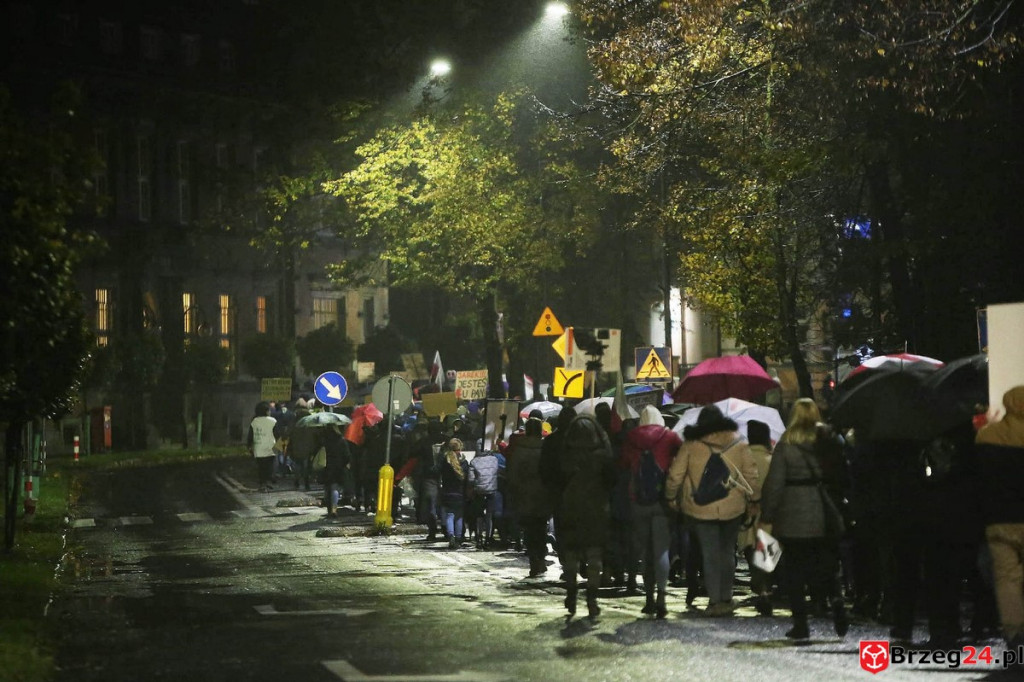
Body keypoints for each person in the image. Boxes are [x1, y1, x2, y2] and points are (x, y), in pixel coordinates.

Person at [760, 398, 848, 640]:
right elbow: (841, 473)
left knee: (795, 570)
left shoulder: (787, 443)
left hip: (793, 513)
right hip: (824, 510)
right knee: (826, 563)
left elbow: (775, 483)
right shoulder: (828, 441)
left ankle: (801, 624)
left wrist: (768, 513)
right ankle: (836, 599)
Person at [664, 404, 760, 616]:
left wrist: (671, 496)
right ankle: (726, 597)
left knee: (709, 553)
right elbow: (751, 474)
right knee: (727, 551)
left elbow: (676, 475)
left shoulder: (691, 444)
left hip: (701, 507)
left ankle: (715, 600)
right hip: (733, 506)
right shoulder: (739, 442)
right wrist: (754, 500)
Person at [620, 405, 683, 618]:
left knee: (646, 551)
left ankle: (648, 598)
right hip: (663, 500)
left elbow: (623, 464)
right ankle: (662, 596)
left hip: (638, 501)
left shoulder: (631, 438)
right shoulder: (669, 437)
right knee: (661, 550)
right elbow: (681, 457)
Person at [976, 385, 1024, 650]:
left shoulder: (988, 435)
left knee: (1007, 578)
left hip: (1000, 519)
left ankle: (1015, 633)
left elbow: (980, 479)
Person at [557, 413, 616, 618]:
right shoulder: (603, 455)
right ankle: (592, 598)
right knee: (594, 553)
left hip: (571, 505)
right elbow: (612, 480)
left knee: (572, 552)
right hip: (596, 506)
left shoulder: (566, 454)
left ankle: (571, 592)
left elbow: (557, 478)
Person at [507, 417, 550, 577]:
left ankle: (534, 561)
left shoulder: (520, 449)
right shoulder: (545, 448)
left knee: (529, 530)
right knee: (541, 528)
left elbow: (513, 473)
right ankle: (541, 558)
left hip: (524, 494)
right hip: (542, 494)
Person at [741, 419, 774, 616]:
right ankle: (765, 588)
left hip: (747, 513)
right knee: (766, 551)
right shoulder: (771, 460)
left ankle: (760, 586)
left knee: (750, 549)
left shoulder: (742, 458)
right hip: (768, 513)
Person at [413, 420, 446, 541]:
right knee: (445, 505)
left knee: (431, 505)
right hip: (446, 476)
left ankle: (432, 531)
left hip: (429, 477)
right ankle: (447, 530)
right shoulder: (447, 440)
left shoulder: (423, 441)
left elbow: (413, 453)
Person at [467, 446, 500, 549]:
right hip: (492, 490)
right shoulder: (495, 459)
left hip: (479, 491)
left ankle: (479, 538)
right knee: (489, 515)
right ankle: (488, 539)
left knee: (479, 515)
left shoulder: (474, 461)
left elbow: (470, 479)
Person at [440, 438, 470, 550]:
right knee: (459, 517)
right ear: (460, 448)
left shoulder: (445, 461)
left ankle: (450, 536)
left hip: (447, 492)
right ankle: (458, 538)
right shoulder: (464, 462)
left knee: (449, 515)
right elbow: (467, 478)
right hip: (460, 493)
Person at [321, 425, 351, 517]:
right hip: (338, 467)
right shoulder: (341, 440)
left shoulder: (324, 440)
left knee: (327, 489)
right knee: (335, 488)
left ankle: (329, 509)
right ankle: (334, 509)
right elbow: (347, 455)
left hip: (326, 467)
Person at [246, 402, 277, 492]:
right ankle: (267, 482)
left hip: (258, 447)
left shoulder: (254, 421)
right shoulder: (273, 421)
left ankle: (262, 484)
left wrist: (249, 445)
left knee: (261, 467)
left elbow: (250, 435)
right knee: (269, 466)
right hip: (270, 447)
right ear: (267, 411)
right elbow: (277, 433)